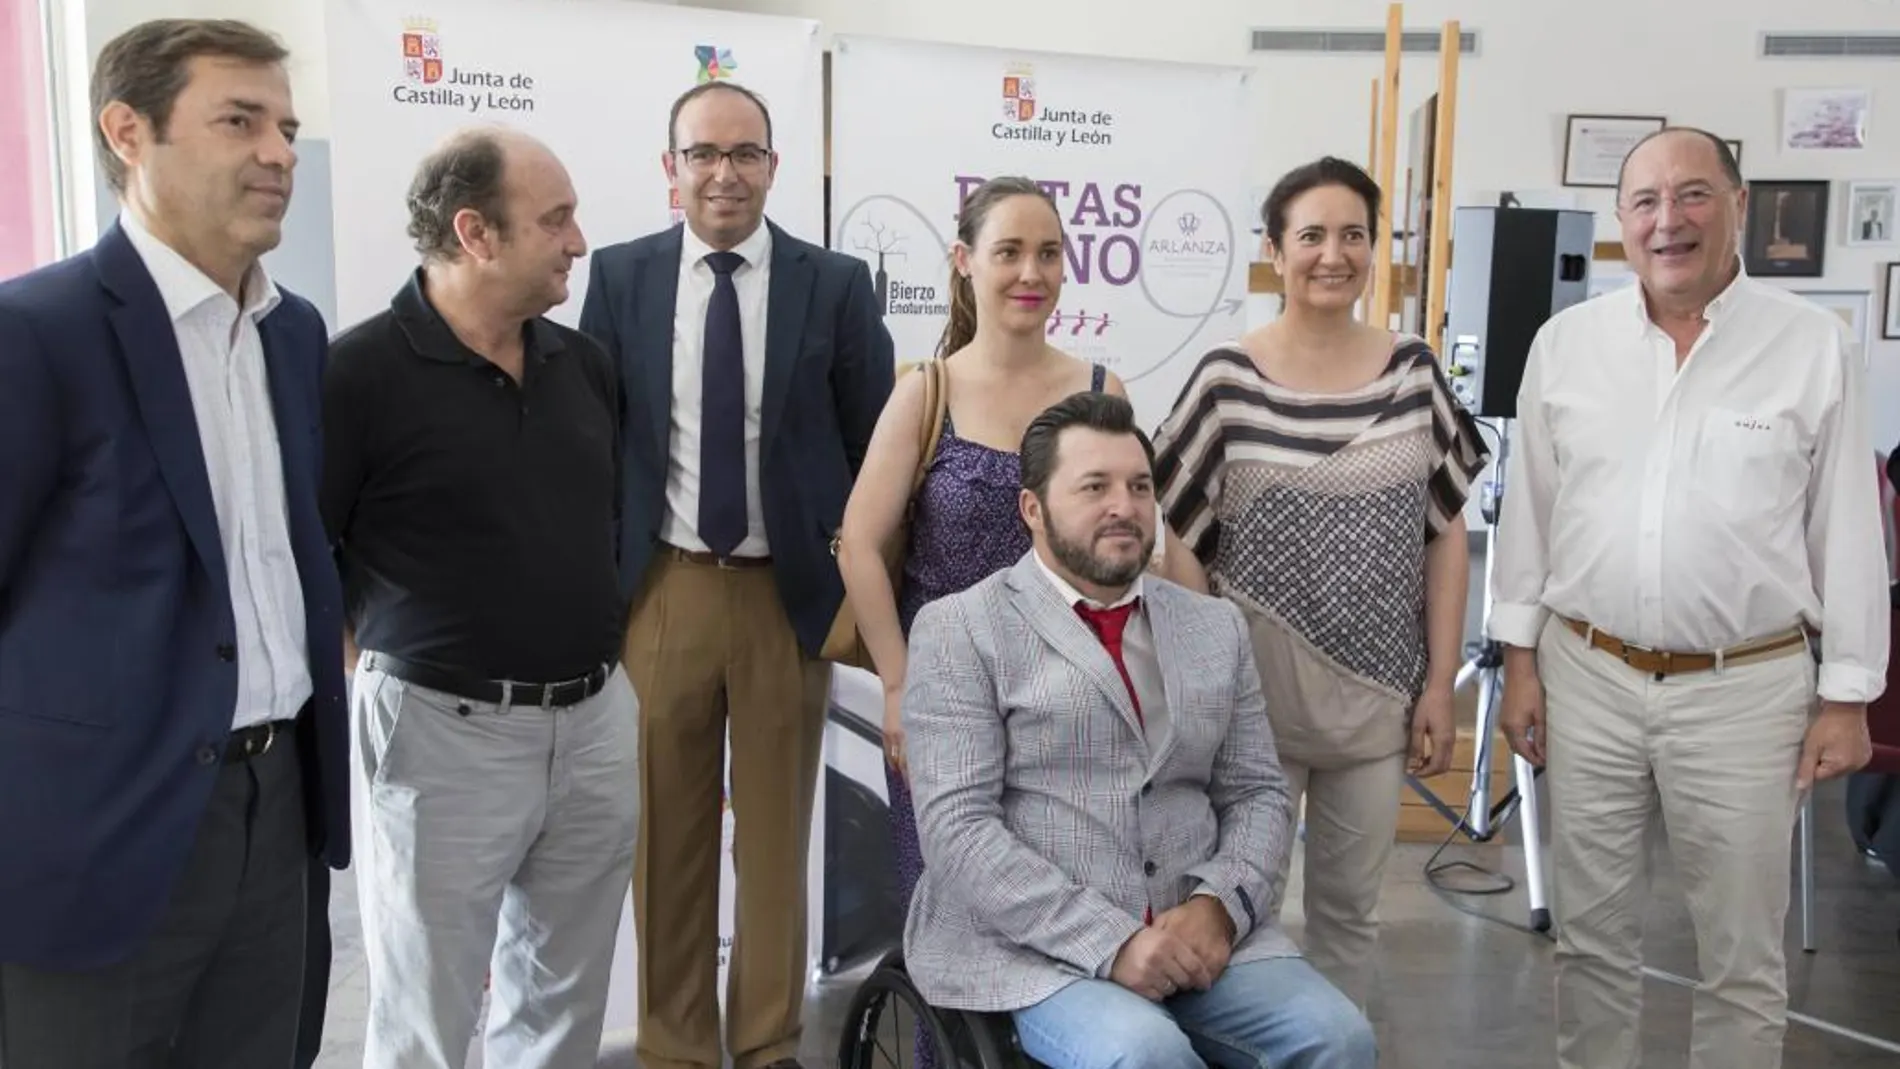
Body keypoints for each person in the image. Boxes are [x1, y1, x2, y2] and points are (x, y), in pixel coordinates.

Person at [1490, 126, 1888, 1069]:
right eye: (1645, 202)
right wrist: (1518, 664)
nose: (1669, 220)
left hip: (1746, 691)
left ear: (1740, 204)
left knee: (1742, 958)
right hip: (1588, 674)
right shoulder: (1567, 346)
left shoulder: (1812, 348)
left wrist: (1849, 694)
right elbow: (1532, 521)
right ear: (1622, 224)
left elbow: (1848, 532)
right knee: (1590, 941)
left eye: (1694, 194)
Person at [0, 18, 350, 1067]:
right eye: (238, 120)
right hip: (95, 833)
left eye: (286, 126)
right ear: (127, 132)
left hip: (278, 807)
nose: (280, 153)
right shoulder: (36, 333)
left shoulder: (294, 333)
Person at [836, 174, 1207, 1067]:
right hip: (950, 708)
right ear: (965, 264)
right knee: (959, 929)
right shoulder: (928, 390)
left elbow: (1142, 533)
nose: (1030, 272)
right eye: (1008, 251)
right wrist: (898, 684)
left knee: (1082, 919)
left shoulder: (1097, 385)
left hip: (1080, 707)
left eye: (1048, 253)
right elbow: (858, 543)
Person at [901, 391, 1377, 1069]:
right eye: (1094, 486)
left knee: (1341, 1037)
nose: (1123, 505)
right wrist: (1114, 940)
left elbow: (1258, 794)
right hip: (1037, 949)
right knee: (1145, 1053)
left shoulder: (1214, 625)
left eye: (1139, 486)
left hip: (1201, 936)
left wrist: (1219, 906)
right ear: (1032, 509)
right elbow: (958, 830)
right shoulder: (961, 629)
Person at [578, 80, 894, 1069]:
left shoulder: (833, 283)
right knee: (664, 840)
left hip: (784, 597)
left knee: (771, 846)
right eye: (702, 154)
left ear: (772, 165)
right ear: (669, 168)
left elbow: (873, 446)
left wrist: (857, 591)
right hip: (662, 590)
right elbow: (595, 439)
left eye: (744, 153)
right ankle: (675, 1046)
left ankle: (765, 1045)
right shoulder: (622, 277)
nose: (724, 172)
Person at [322, 127, 640, 1068]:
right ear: (476, 233)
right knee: (426, 1015)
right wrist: (401, 682)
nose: (578, 242)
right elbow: (309, 557)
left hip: (592, 728)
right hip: (440, 735)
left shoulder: (582, 366)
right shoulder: (357, 373)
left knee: (562, 1004)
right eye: (556, 220)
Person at [1152, 155, 1487, 1008]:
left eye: (1353, 235)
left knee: (1349, 918)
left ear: (1377, 249)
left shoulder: (1412, 374)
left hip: (1376, 704)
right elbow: (1181, 540)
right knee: (1223, 912)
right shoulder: (1229, 376)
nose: (1332, 254)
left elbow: (1446, 537)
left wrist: (1440, 687)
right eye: (1311, 235)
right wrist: (1198, 684)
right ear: (1275, 248)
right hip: (1247, 706)